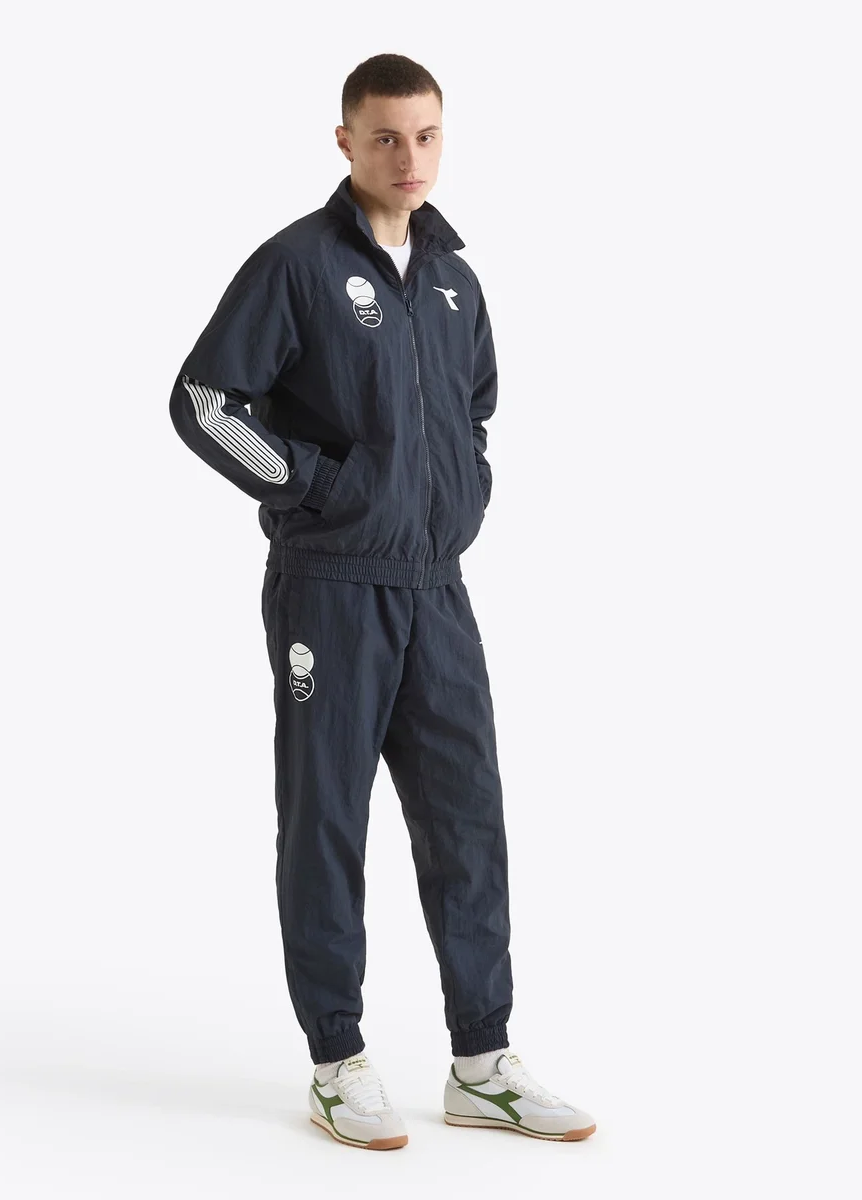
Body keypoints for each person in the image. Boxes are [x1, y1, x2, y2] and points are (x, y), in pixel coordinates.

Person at [169, 53, 596, 1150]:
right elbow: (205, 400)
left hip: (436, 588)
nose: (410, 157)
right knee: (327, 820)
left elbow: (474, 413)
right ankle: (336, 1061)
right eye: (386, 137)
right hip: (331, 588)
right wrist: (316, 489)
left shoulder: (454, 280)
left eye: (426, 136)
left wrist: (464, 494)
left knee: (466, 818)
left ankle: (482, 1061)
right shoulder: (298, 265)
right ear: (346, 142)